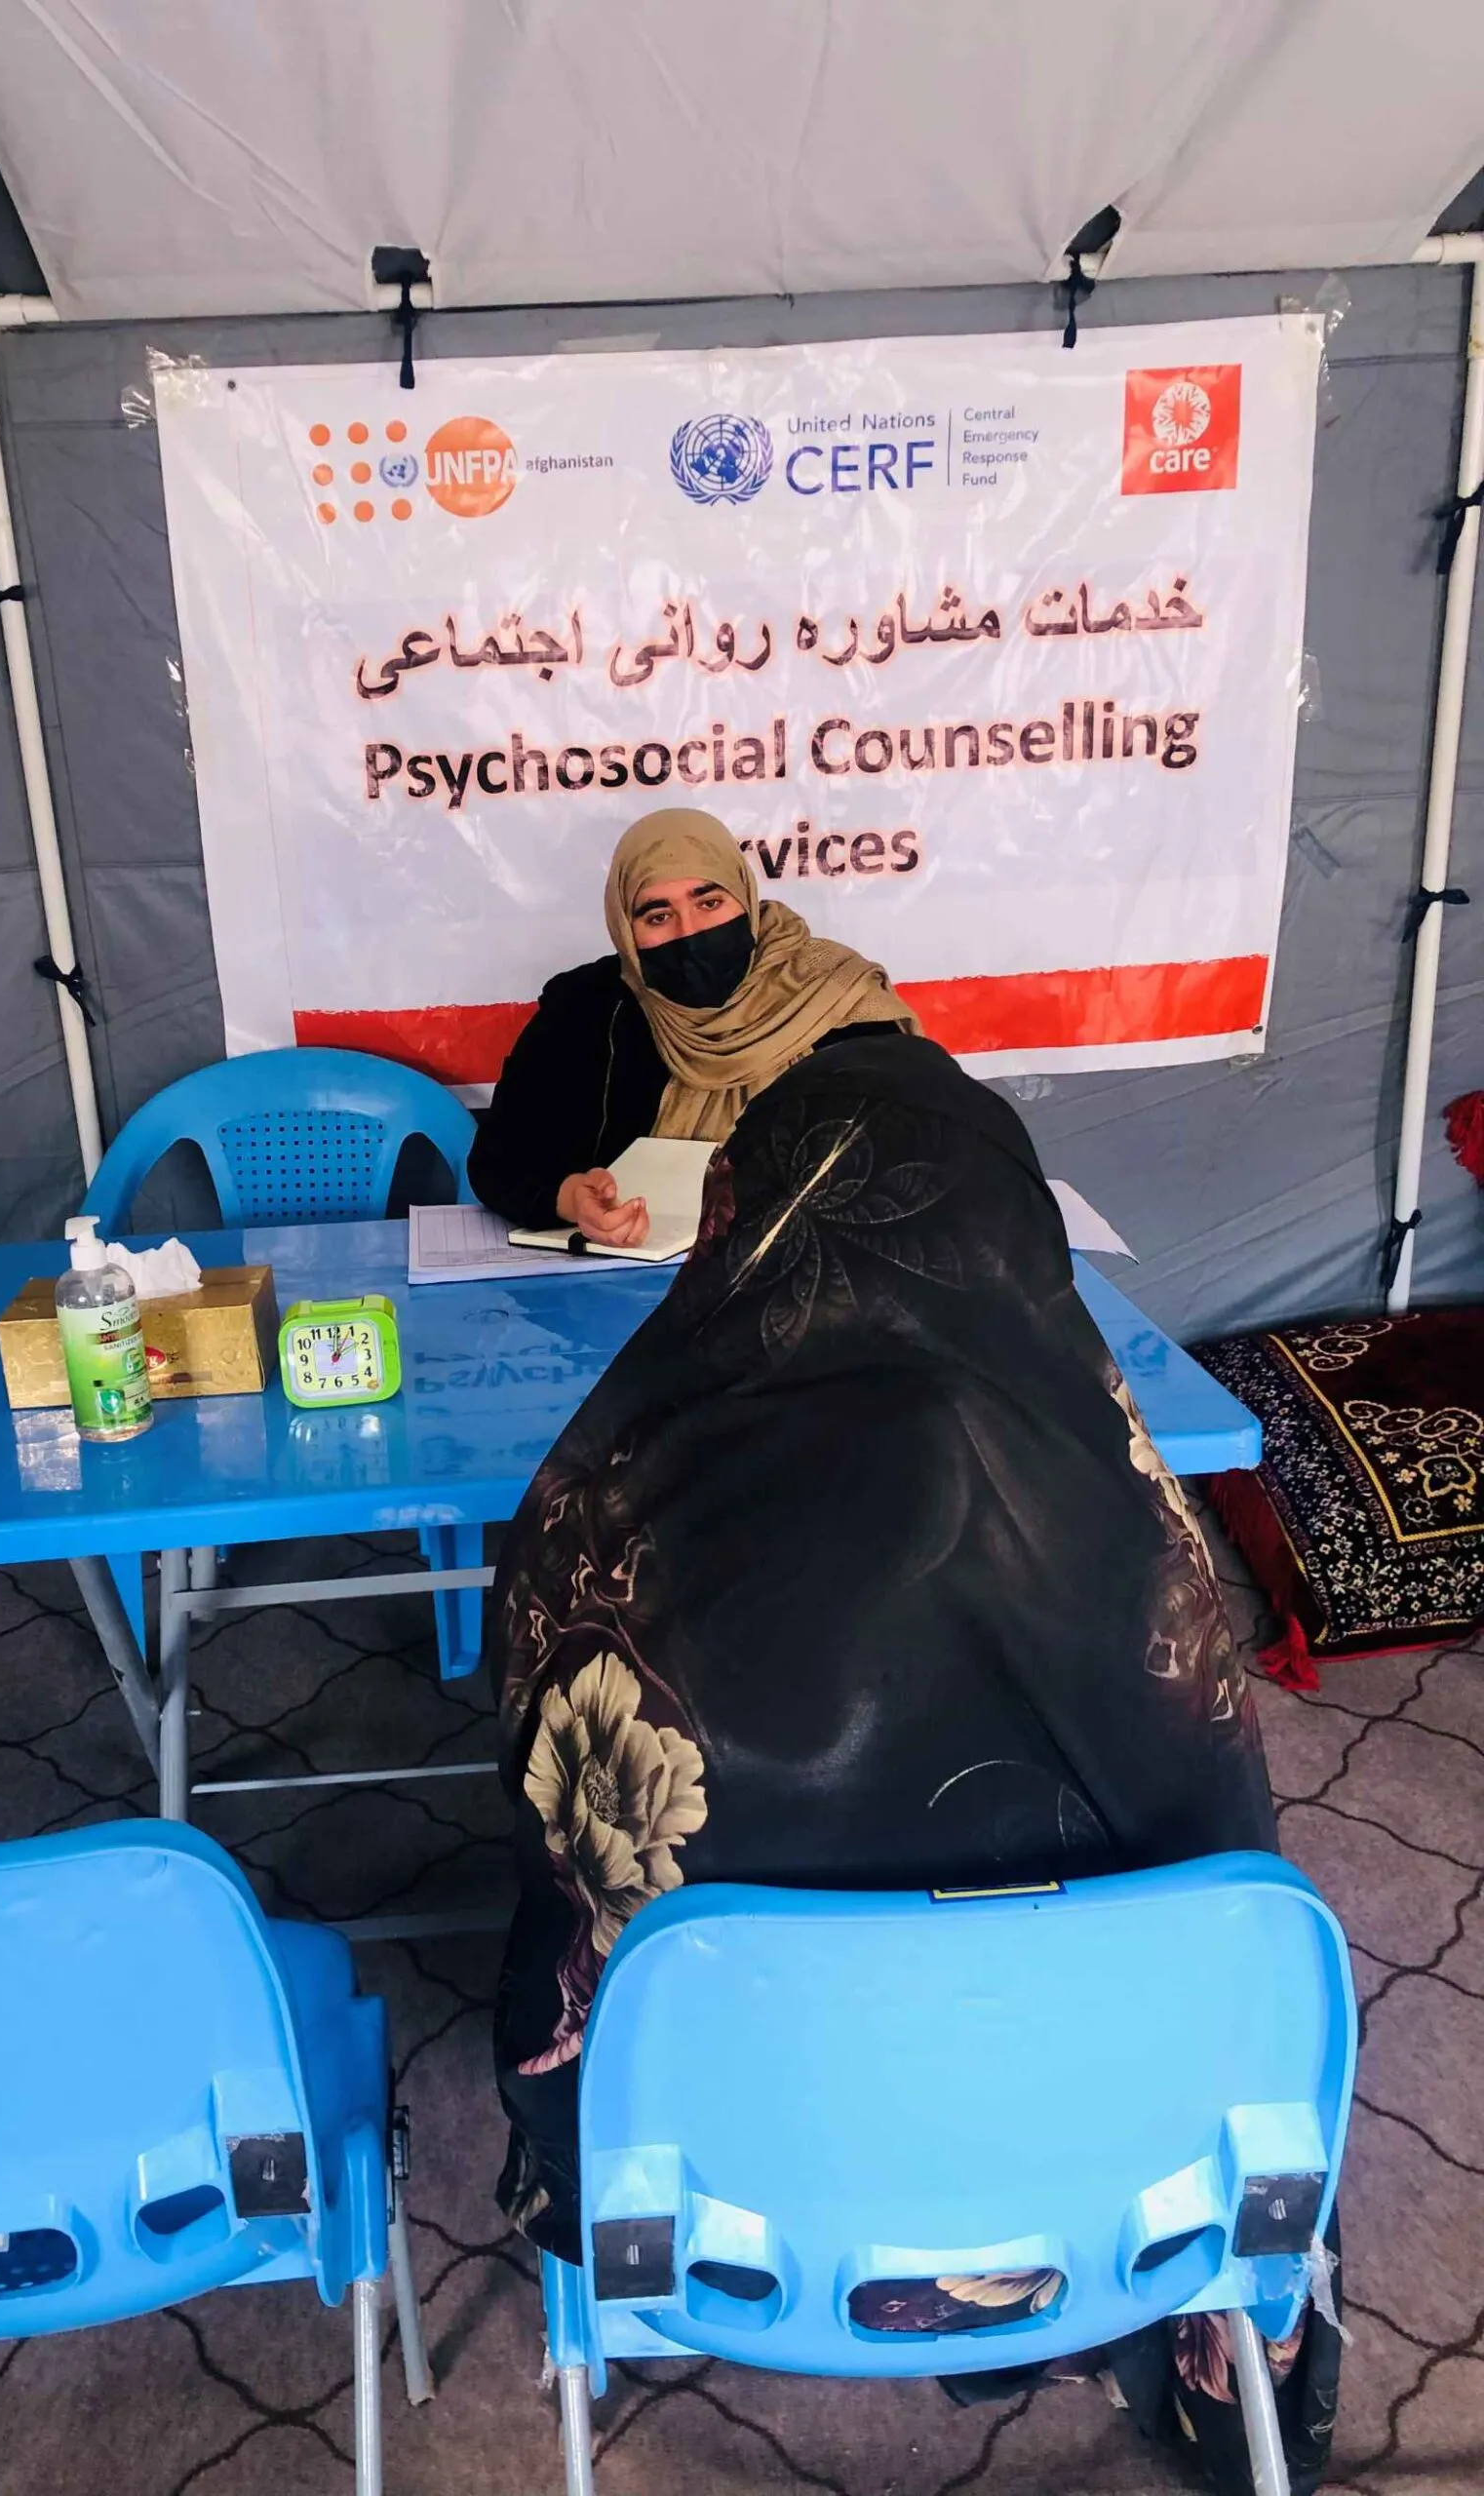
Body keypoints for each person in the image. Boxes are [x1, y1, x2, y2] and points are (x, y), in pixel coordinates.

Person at [489, 1029, 1340, 2492]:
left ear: (739, 1226)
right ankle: (1223, 2363)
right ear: (1014, 1233)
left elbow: (545, 1804)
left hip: (720, 2179)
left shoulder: (621, 1509)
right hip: (1108, 2153)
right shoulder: (1138, 1537)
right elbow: (1227, 1843)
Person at [466, 806, 918, 1245]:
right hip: (629, 1283)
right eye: (658, 916)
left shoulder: (832, 993)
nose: (690, 930)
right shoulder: (586, 1008)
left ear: (744, 895)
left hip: (816, 1274)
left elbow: (911, 1152)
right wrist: (571, 1199)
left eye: (710, 902)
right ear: (625, 926)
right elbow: (499, 1161)